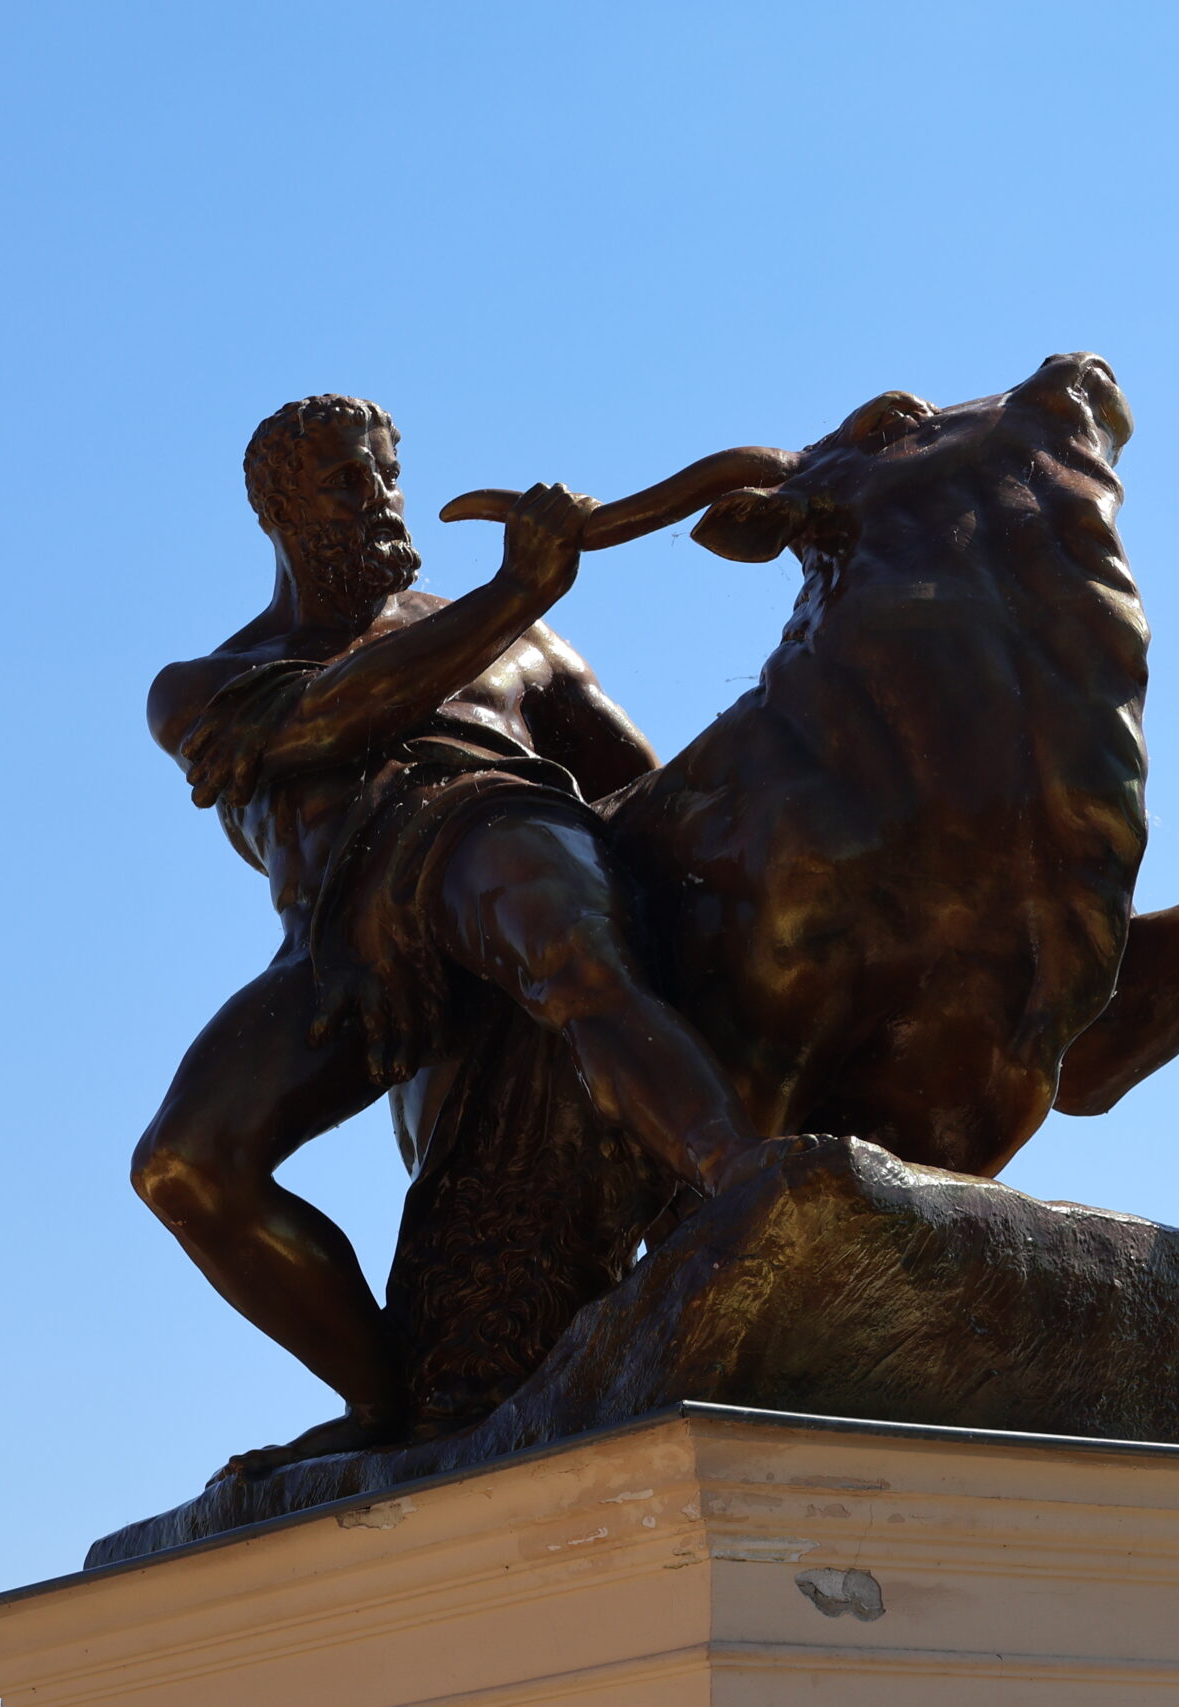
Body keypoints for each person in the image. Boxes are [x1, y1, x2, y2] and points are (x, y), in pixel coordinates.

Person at [134, 395, 761, 1479]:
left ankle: (751, 1192)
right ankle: (384, 1397)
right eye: (346, 481)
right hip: (340, 943)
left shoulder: (525, 648)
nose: (379, 499)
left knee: (537, 897)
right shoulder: (207, 684)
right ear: (280, 515)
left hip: (505, 835)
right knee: (185, 1167)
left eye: (385, 474)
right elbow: (332, 718)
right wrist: (513, 590)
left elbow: (652, 800)